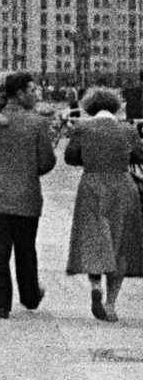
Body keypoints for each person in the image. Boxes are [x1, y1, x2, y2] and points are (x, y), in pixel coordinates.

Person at [0, 72, 57, 319]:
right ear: (19, 93)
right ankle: (30, 296)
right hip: (26, 197)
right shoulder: (37, 123)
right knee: (26, 249)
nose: (36, 94)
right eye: (33, 90)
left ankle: (0, 304)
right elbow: (46, 162)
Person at [64, 87, 143, 322]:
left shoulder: (82, 127)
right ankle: (110, 304)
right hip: (122, 186)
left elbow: (70, 157)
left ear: (89, 107)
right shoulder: (126, 129)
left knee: (94, 238)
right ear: (115, 106)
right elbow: (140, 155)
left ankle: (95, 286)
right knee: (120, 243)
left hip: (91, 185)